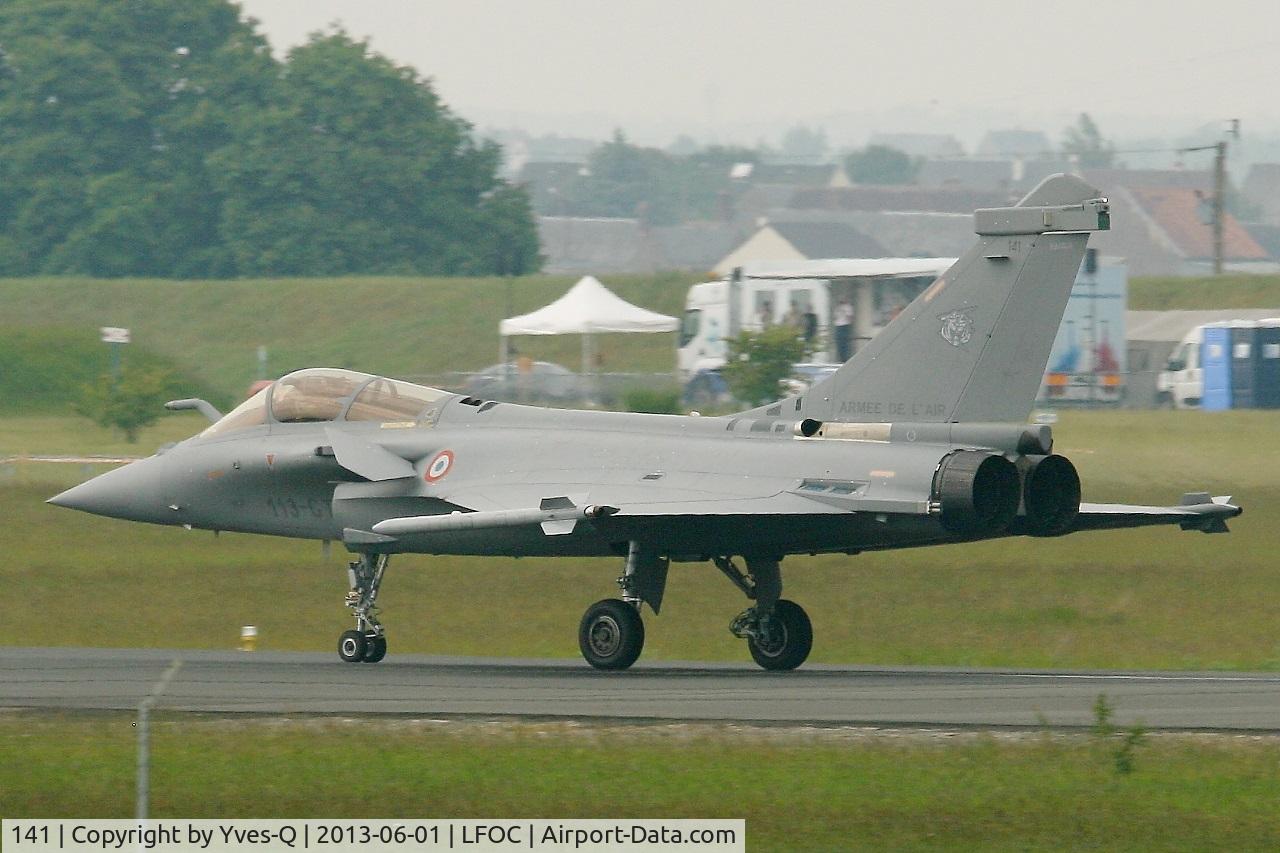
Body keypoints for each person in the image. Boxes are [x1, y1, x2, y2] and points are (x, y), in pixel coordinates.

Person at [834, 297, 854, 362]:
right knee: (839, 344)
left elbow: (850, 317)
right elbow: (835, 317)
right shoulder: (837, 308)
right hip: (838, 326)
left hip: (845, 326)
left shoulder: (848, 307)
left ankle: (845, 359)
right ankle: (840, 358)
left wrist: (844, 313)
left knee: (845, 344)